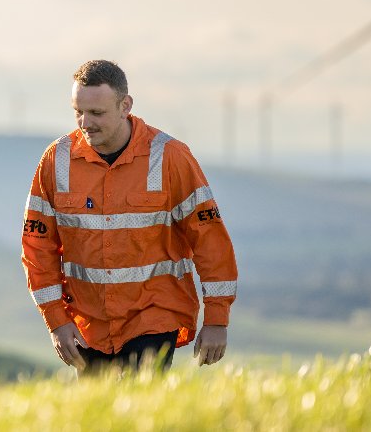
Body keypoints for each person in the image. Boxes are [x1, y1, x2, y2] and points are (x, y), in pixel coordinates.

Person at [21, 60, 238, 374]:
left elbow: (211, 240)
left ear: (126, 106)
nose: (85, 122)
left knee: (141, 406)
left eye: (96, 113)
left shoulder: (170, 157)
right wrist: (56, 320)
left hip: (154, 314)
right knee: (96, 417)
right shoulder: (56, 160)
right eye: (78, 111)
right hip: (88, 322)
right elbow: (36, 248)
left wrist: (217, 319)